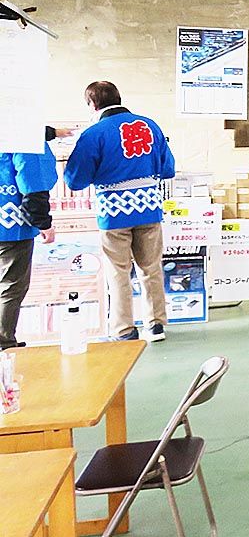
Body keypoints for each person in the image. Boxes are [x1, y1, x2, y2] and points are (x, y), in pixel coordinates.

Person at [64, 82, 175, 342]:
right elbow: (168, 168)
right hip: (149, 207)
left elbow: (75, 180)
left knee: (118, 271)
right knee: (151, 268)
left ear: (93, 104)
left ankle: (124, 329)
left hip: (114, 212)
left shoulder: (94, 134)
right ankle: (155, 325)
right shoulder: (150, 125)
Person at [0, 138, 57, 350]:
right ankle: (4, 343)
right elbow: (32, 181)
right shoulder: (24, 137)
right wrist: (43, 222)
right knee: (11, 286)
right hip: (9, 226)